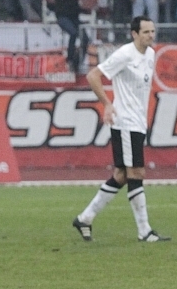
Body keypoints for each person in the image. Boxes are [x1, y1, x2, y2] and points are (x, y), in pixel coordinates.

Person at [72, 17, 170, 244]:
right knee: (137, 173)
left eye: (152, 31)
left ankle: (85, 219)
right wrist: (107, 104)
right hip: (125, 122)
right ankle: (144, 231)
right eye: (146, 32)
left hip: (138, 122)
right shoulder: (125, 54)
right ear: (134, 34)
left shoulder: (151, 54)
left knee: (122, 175)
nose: (151, 35)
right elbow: (93, 76)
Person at [32, 0, 100, 74]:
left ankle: (78, 61)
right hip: (62, 17)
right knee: (73, 33)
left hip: (74, 17)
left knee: (85, 39)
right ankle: (70, 60)